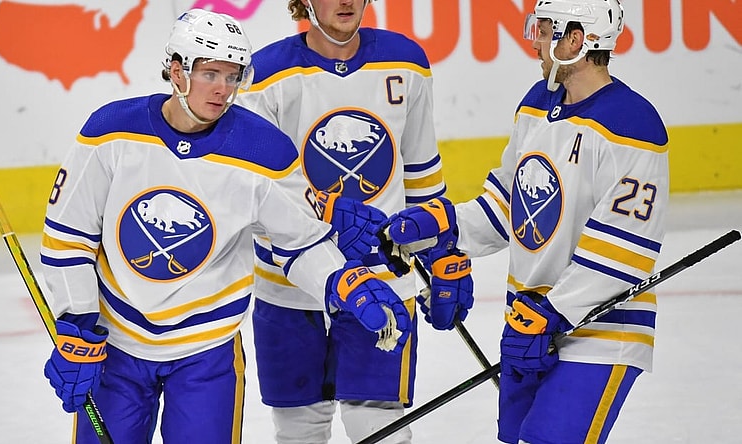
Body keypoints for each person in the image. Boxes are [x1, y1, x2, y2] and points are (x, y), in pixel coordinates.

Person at [38, 9, 410, 443]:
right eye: (210, 73)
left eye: (233, 76)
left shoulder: (263, 149)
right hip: (116, 345)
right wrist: (76, 325)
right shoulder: (110, 133)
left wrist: (343, 282)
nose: (222, 89)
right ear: (176, 71)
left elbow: (301, 242)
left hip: (207, 351)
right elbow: (67, 239)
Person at [383, 1, 669, 443]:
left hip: (598, 328)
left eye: (546, 29)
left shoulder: (632, 123)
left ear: (577, 39)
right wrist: (445, 226)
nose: (535, 39)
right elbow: (508, 206)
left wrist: (554, 311)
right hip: (527, 321)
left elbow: (625, 248)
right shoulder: (537, 105)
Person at [234, 1, 453, 442]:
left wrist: (442, 253)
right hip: (288, 284)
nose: (347, 2)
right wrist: (329, 224)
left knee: (380, 427)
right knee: (300, 431)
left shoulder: (405, 61)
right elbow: (258, 190)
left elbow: (421, 173)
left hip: (382, 281)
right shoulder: (266, 75)